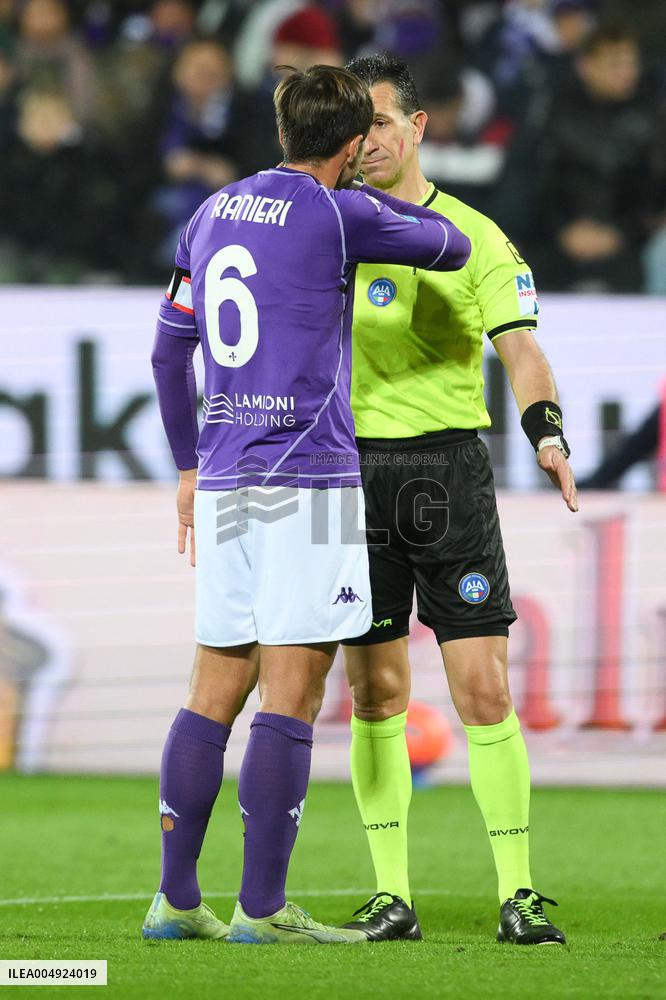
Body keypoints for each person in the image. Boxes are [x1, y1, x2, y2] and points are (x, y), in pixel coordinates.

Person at [144, 64, 471, 945]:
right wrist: (383, 197)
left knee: (213, 688)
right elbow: (452, 247)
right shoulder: (339, 212)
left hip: (221, 477)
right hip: (309, 480)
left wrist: (187, 466)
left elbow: (167, 357)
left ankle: (175, 903)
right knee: (291, 693)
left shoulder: (212, 210)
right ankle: (262, 911)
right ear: (354, 142)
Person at [338, 54, 577, 945]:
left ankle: (518, 890)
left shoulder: (478, 237)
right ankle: (390, 894)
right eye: (355, 130)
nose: (368, 144)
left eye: (384, 126)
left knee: (480, 688)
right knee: (375, 694)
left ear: (419, 127)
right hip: (350, 472)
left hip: (446, 474)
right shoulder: (327, 231)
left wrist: (547, 431)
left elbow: (520, 349)